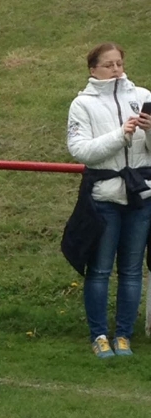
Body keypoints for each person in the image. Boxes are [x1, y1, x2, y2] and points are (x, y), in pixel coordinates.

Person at [65, 42, 151, 358]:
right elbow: (81, 151)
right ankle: (99, 335)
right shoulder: (82, 104)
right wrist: (120, 135)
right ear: (93, 69)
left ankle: (124, 335)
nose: (115, 70)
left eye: (119, 64)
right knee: (100, 270)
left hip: (141, 196)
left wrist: (149, 131)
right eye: (108, 65)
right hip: (103, 197)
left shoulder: (142, 96)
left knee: (131, 270)